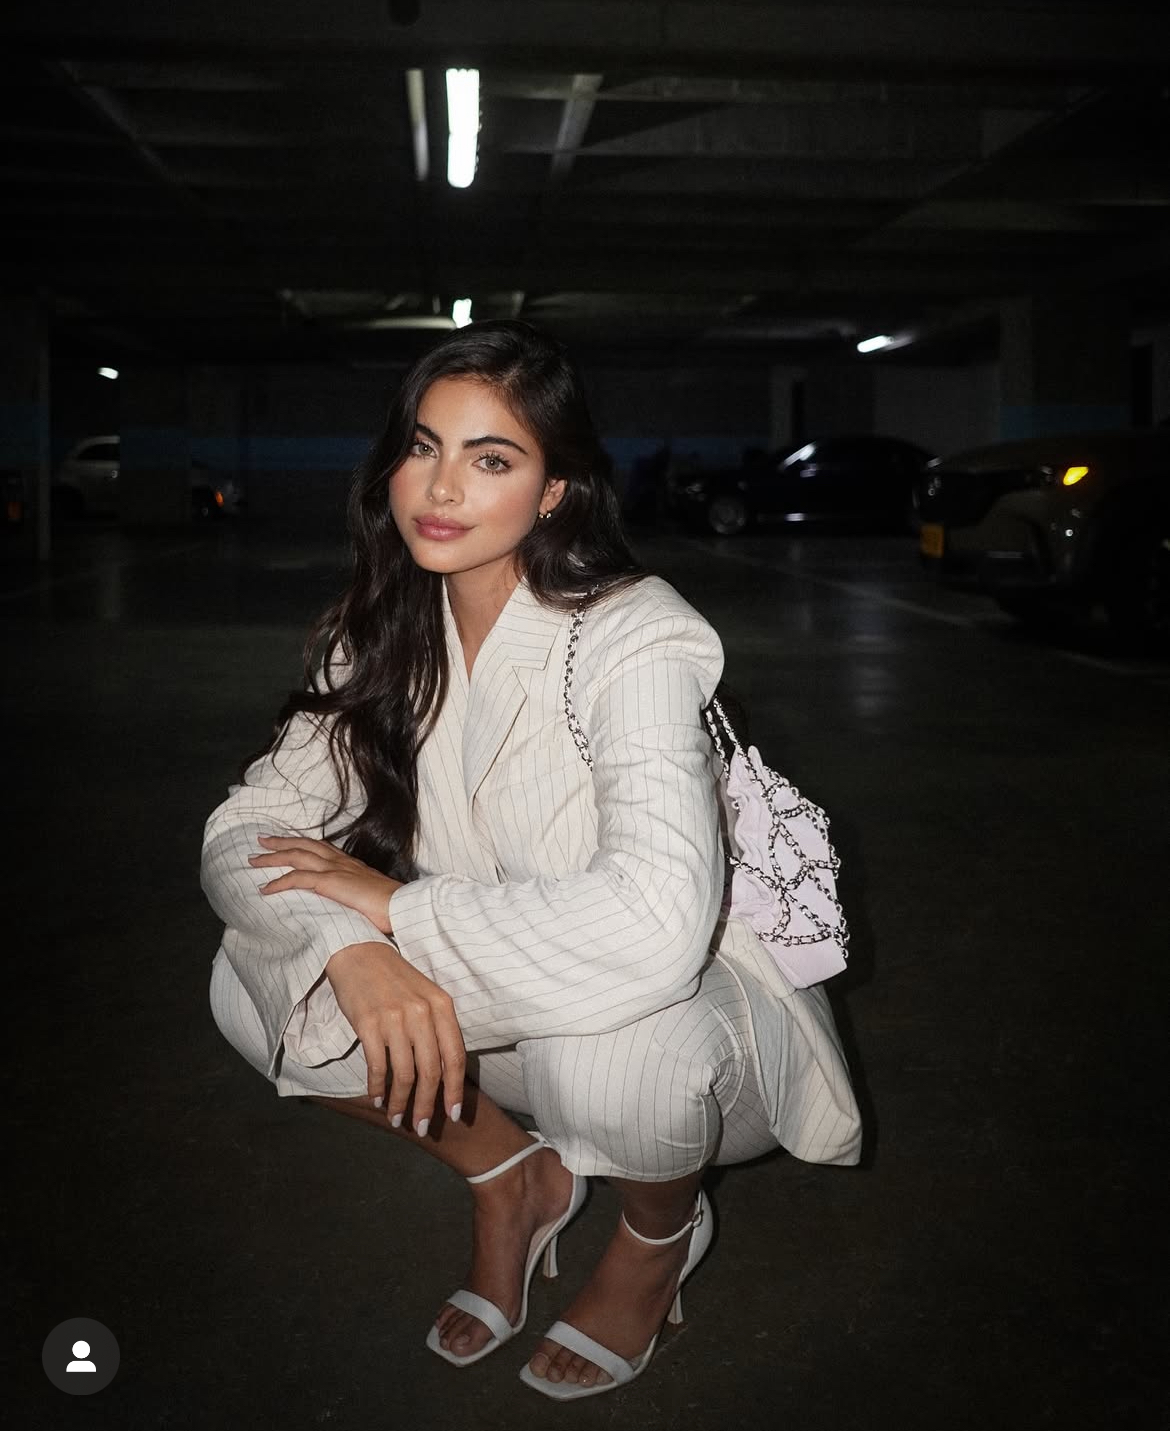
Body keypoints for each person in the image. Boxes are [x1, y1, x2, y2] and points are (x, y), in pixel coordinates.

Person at [201, 319, 862, 1401]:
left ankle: (659, 1234)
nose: (440, 487)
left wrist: (399, 916)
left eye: (491, 458)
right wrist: (348, 947)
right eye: (424, 446)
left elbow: (654, 929)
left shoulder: (632, 634)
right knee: (258, 985)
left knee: (613, 1061)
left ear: (554, 491)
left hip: (690, 1022)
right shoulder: (377, 634)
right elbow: (245, 829)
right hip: (514, 1002)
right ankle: (514, 1176)